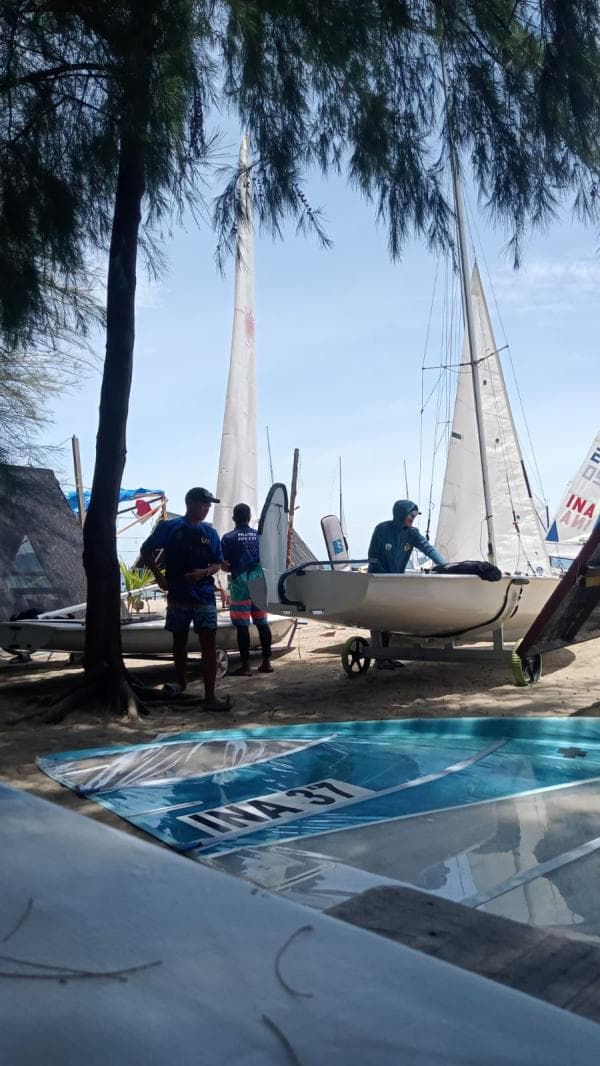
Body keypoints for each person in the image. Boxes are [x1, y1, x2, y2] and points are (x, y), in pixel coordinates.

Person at [140, 486, 231, 711]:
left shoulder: (210, 533)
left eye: (209, 505)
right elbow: (146, 550)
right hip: (178, 595)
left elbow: (218, 563)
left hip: (204, 596)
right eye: (204, 504)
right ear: (190, 503)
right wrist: (159, 577)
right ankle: (181, 683)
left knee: (208, 645)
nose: (207, 508)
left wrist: (204, 573)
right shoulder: (169, 527)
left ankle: (210, 695)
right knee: (179, 642)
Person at [367, 499, 447, 669]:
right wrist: (384, 576)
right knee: (377, 619)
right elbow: (372, 557)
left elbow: (429, 549)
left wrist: (445, 565)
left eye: (415, 516)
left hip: (396, 583)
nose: (413, 518)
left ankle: (386, 657)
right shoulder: (381, 529)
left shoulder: (412, 533)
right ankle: (379, 658)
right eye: (411, 515)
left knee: (390, 620)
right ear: (401, 513)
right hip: (377, 581)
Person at [221, 502, 273, 676]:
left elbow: (225, 566)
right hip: (259, 583)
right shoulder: (260, 536)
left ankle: (245, 666)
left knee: (242, 627)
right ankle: (266, 663)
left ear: (234, 518)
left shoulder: (228, 538)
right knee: (262, 624)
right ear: (249, 518)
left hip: (240, 585)